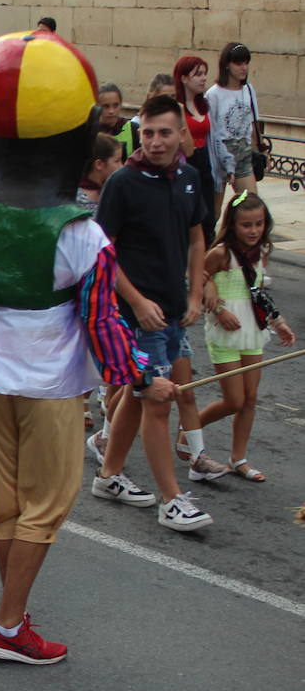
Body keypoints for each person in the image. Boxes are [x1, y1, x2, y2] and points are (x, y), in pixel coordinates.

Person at [0, 32, 174, 665]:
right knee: (44, 509)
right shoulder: (81, 233)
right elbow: (103, 323)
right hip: (49, 387)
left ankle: (12, 610)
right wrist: (145, 376)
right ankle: (8, 624)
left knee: (9, 507)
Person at [93, 93, 221, 532]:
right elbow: (102, 253)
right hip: (137, 315)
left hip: (171, 311)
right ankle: (172, 499)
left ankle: (108, 475)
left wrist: (193, 291)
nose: (155, 141)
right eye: (147, 133)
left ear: (181, 134)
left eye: (165, 132)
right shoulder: (122, 184)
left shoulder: (188, 177)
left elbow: (197, 236)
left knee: (138, 390)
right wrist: (136, 301)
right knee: (158, 399)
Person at [196, 192, 295, 481]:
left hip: (253, 331)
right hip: (225, 333)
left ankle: (239, 458)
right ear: (232, 225)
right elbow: (197, 279)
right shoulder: (221, 253)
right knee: (234, 400)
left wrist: (278, 322)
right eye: (246, 225)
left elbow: (257, 291)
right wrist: (218, 309)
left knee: (250, 398)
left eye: (259, 224)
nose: (253, 231)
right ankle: (190, 428)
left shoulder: (262, 252)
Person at [206, 43, 262, 219]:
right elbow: (211, 129)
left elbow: (253, 124)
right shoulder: (213, 94)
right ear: (227, 65)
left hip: (243, 154)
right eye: (239, 63)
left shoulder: (248, 90)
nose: (244, 68)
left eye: (246, 63)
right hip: (221, 154)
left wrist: (257, 150)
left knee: (251, 205)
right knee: (214, 212)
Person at [174, 55, 216, 243]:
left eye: (204, 73)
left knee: (209, 217)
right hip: (187, 162)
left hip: (205, 161)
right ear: (183, 78)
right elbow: (186, 148)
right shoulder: (177, 107)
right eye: (197, 74)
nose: (203, 78)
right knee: (190, 216)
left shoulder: (204, 104)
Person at [77, 133, 124, 213]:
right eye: (117, 161)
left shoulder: (115, 190)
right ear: (99, 164)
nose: (122, 166)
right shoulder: (78, 199)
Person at [96, 82, 136, 157]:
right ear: (97, 107)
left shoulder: (133, 129)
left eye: (116, 105)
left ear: (121, 105)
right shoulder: (89, 131)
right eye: (106, 106)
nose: (111, 111)